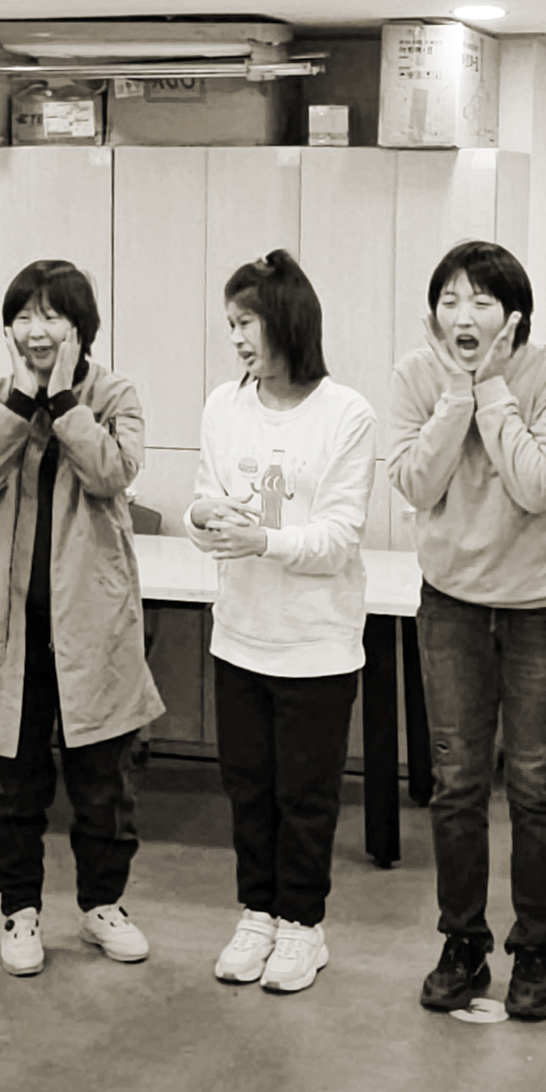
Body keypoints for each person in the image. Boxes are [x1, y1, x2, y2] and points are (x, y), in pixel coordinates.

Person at [385, 240, 546, 1022]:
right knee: (457, 785)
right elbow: (415, 482)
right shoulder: (416, 374)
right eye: (448, 300)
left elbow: (538, 486)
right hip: (452, 606)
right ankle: (462, 944)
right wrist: (455, 395)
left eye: (480, 300)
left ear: (515, 314)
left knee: (536, 787)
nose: (462, 315)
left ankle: (534, 954)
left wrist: (492, 388)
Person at [0, 259, 165, 977]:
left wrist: (67, 400)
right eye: (22, 316)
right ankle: (19, 909)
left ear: (81, 326)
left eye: (51, 315)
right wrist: (22, 399)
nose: (35, 330)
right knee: (9, 781)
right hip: (9, 627)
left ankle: (103, 904)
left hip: (91, 626)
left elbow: (112, 473)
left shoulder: (113, 394)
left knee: (103, 782)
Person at [188, 251, 377, 996]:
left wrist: (262, 540)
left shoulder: (346, 414)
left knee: (305, 796)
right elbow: (202, 497)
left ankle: (303, 925)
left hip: (316, 645)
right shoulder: (223, 405)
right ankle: (257, 914)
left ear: (287, 321)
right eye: (229, 323)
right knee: (248, 789)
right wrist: (207, 518)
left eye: (248, 322)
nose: (236, 338)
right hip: (240, 634)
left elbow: (338, 538)